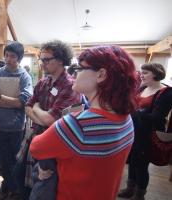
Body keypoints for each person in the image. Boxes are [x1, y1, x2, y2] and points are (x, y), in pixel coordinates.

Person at [30, 45, 137, 200]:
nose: (75, 73)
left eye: (80, 69)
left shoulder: (76, 125)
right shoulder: (127, 119)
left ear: (101, 75)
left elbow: (36, 147)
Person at [15, 40, 81, 200]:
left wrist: (36, 109)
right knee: (21, 179)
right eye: (41, 59)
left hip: (55, 145)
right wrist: (39, 114)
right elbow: (26, 107)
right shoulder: (43, 82)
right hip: (36, 138)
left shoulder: (71, 86)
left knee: (44, 189)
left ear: (60, 60)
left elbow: (51, 120)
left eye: (46, 59)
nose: (42, 63)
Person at [0, 41, 33, 200]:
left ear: (19, 58)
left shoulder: (24, 76)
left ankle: (14, 189)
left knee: (16, 160)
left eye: (12, 56)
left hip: (17, 127)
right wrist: (12, 101)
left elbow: (23, 102)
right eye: (6, 55)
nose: (8, 59)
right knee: (3, 160)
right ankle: (9, 186)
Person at [118, 63, 172, 200]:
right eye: (142, 72)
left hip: (148, 135)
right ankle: (130, 188)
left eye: (146, 72)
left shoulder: (166, 92)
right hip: (134, 131)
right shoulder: (142, 88)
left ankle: (139, 194)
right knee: (132, 161)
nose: (141, 75)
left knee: (142, 165)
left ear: (156, 73)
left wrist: (133, 113)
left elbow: (157, 117)